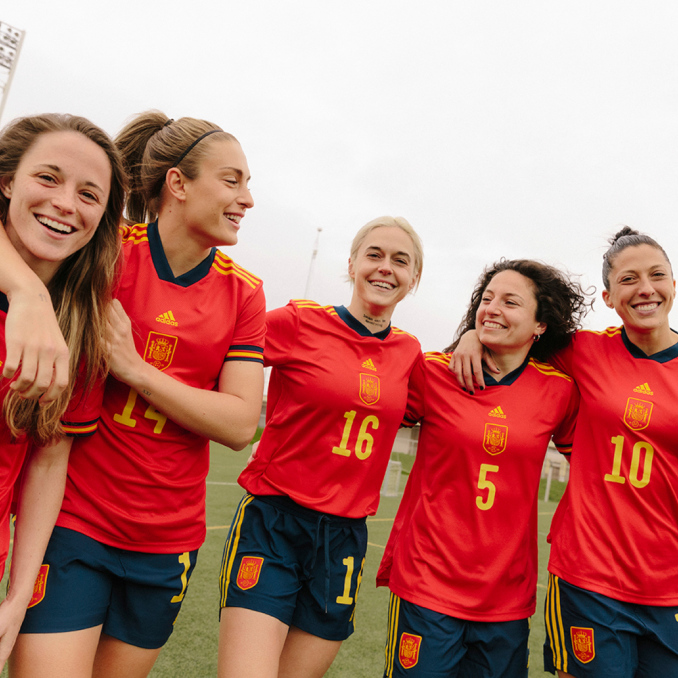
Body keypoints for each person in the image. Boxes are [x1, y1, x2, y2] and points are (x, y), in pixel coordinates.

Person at [9, 111, 266, 678]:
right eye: (233, 180)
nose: (247, 198)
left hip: (167, 541)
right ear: (178, 184)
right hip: (75, 523)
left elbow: (239, 423)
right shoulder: (106, 251)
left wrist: (137, 370)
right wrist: (27, 289)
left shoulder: (244, 292)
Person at [451, 228, 678, 678]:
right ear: (610, 297)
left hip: (669, 584)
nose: (645, 289)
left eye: (657, 275)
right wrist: (471, 338)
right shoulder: (585, 352)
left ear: (673, 283)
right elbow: (512, 333)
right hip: (588, 578)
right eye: (629, 279)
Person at [218, 216, 423, 678]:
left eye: (400, 260)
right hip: (274, 520)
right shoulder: (300, 321)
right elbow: (221, 343)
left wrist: (471, 336)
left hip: (344, 538)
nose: (385, 268)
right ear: (352, 264)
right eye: (374, 254)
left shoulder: (411, 355)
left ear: (414, 279)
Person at [377, 259, 588, 678]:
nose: (492, 308)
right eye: (486, 299)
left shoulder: (559, 390)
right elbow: (371, 414)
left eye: (510, 302)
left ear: (540, 325)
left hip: (506, 594)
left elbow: (593, 463)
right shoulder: (435, 371)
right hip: (427, 581)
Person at [0, 112, 126, 669]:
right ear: (7, 181)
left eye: (89, 194)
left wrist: (17, 598)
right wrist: (24, 290)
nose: (66, 204)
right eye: (47, 178)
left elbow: (48, 464)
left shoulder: (81, 325)